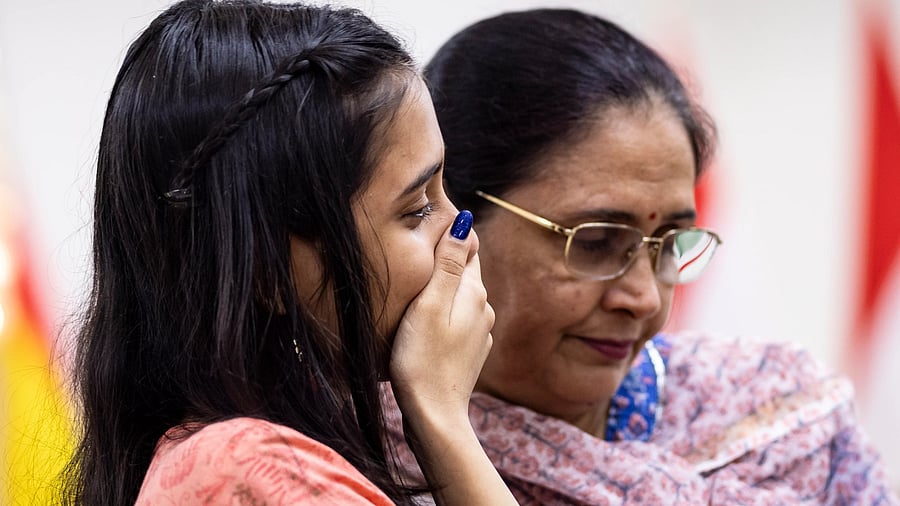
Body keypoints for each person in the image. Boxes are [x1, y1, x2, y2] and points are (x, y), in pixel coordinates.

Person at [385, 8, 900, 505]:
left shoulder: (781, 418)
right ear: (452, 217)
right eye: (594, 242)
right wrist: (440, 427)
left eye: (671, 244)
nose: (645, 297)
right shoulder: (360, 460)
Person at [59, 1, 520, 504]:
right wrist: (442, 420)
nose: (464, 237)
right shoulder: (250, 471)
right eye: (416, 208)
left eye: (442, 188)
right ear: (268, 271)